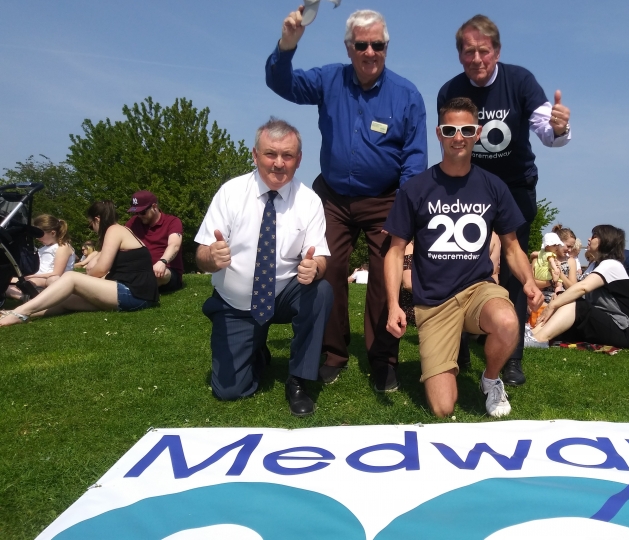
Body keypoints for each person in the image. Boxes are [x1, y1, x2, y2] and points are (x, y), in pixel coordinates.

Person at [266, 7, 428, 392]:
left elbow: (415, 158)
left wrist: (405, 209)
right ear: (348, 47)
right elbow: (280, 82)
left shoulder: (407, 95)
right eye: (361, 45)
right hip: (333, 198)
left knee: (384, 278)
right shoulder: (329, 80)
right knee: (328, 270)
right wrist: (287, 45)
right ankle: (333, 353)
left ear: (386, 47)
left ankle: (383, 357)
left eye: (377, 45)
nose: (369, 52)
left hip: (385, 198)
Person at [384, 97, 543, 418]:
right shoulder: (415, 189)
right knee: (443, 408)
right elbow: (395, 250)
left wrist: (528, 280)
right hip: (434, 303)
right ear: (439, 134)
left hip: (477, 291)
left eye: (466, 129)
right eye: (450, 129)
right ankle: (445, 359)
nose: (458, 136)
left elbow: (512, 246)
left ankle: (491, 379)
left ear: (477, 133)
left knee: (508, 320)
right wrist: (393, 304)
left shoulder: (493, 186)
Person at [437, 14, 572, 387]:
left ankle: (511, 358)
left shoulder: (520, 80)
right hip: (468, 190)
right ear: (460, 55)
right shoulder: (450, 89)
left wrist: (558, 128)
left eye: (483, 51)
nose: (476, 59)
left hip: (514, 188)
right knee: (460, 264)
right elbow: (451, 144)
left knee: (516, 275)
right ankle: (458, 346)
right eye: (468, 52)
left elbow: (546, 130)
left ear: (496, 51)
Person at [195, 118, 333, 417]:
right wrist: (211, 257)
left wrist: (315, 268)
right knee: (230, 391)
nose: (279, 163)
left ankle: (298, 380)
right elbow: (201, 255)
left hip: (284, 294)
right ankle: (255, 348)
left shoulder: (309, 200)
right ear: (255, 155)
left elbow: (319, 257)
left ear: (299, 160)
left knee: (320, 290)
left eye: (288, 156)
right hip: (235, 303)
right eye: (271, 154)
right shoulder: (230, 193)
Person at [0, 201, 157, 326]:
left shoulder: (113, 230)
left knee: (71, 277)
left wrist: (90, 271)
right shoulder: (122, 230)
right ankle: (17, 313)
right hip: (140, 295)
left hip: (135, 294)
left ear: (97, 219)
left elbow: (101, 269)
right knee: (65, 300)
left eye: (90, 225)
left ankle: (19, 313)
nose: (92, 229)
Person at [531, 225, 629, 349]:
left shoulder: (612, 265)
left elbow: (582, 288)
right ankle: (530, 335)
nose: (589, 239)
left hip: (620, 329)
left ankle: (538, 339)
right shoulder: (594, 266)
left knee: (571, 301)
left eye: (594, 236)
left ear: (607, 241)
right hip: (597, 322)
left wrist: (553, 305)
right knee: (562, 299)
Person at [5, 214, 76, 300]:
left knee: (19, 282)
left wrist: (31, 277)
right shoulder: (43, 248)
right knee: (5, 282)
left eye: (39, 235)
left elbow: (57, 273)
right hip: (39, 278)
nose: (37, 238)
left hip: (51, 279)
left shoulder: (62, 247)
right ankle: (28, 297)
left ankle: (32, 298)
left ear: (53, 233)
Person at [126, 191, 184, 293]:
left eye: (143, 212)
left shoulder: (172, 221)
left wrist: (163, 261)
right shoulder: (134, 222)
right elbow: (120, 239)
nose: (139, 215)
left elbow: (174, 245)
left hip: (166, 271)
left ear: (154, 206)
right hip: (141, 270)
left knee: (162, 274)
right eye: (136, 212)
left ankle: (126, 288)